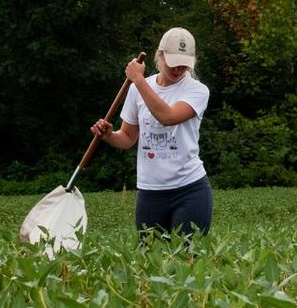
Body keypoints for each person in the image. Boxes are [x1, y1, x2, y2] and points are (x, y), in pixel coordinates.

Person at [91, 27, 213, 241]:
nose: (178, 70)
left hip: (190, 190)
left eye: (184, 64)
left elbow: (168, 117)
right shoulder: (138, 88)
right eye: (173, 63)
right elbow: (127, 138)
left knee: (188, 260)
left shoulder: (198, 90)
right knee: (150, 263)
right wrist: (108, 135)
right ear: (160, 55)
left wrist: (137, 80)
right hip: (150, 193)